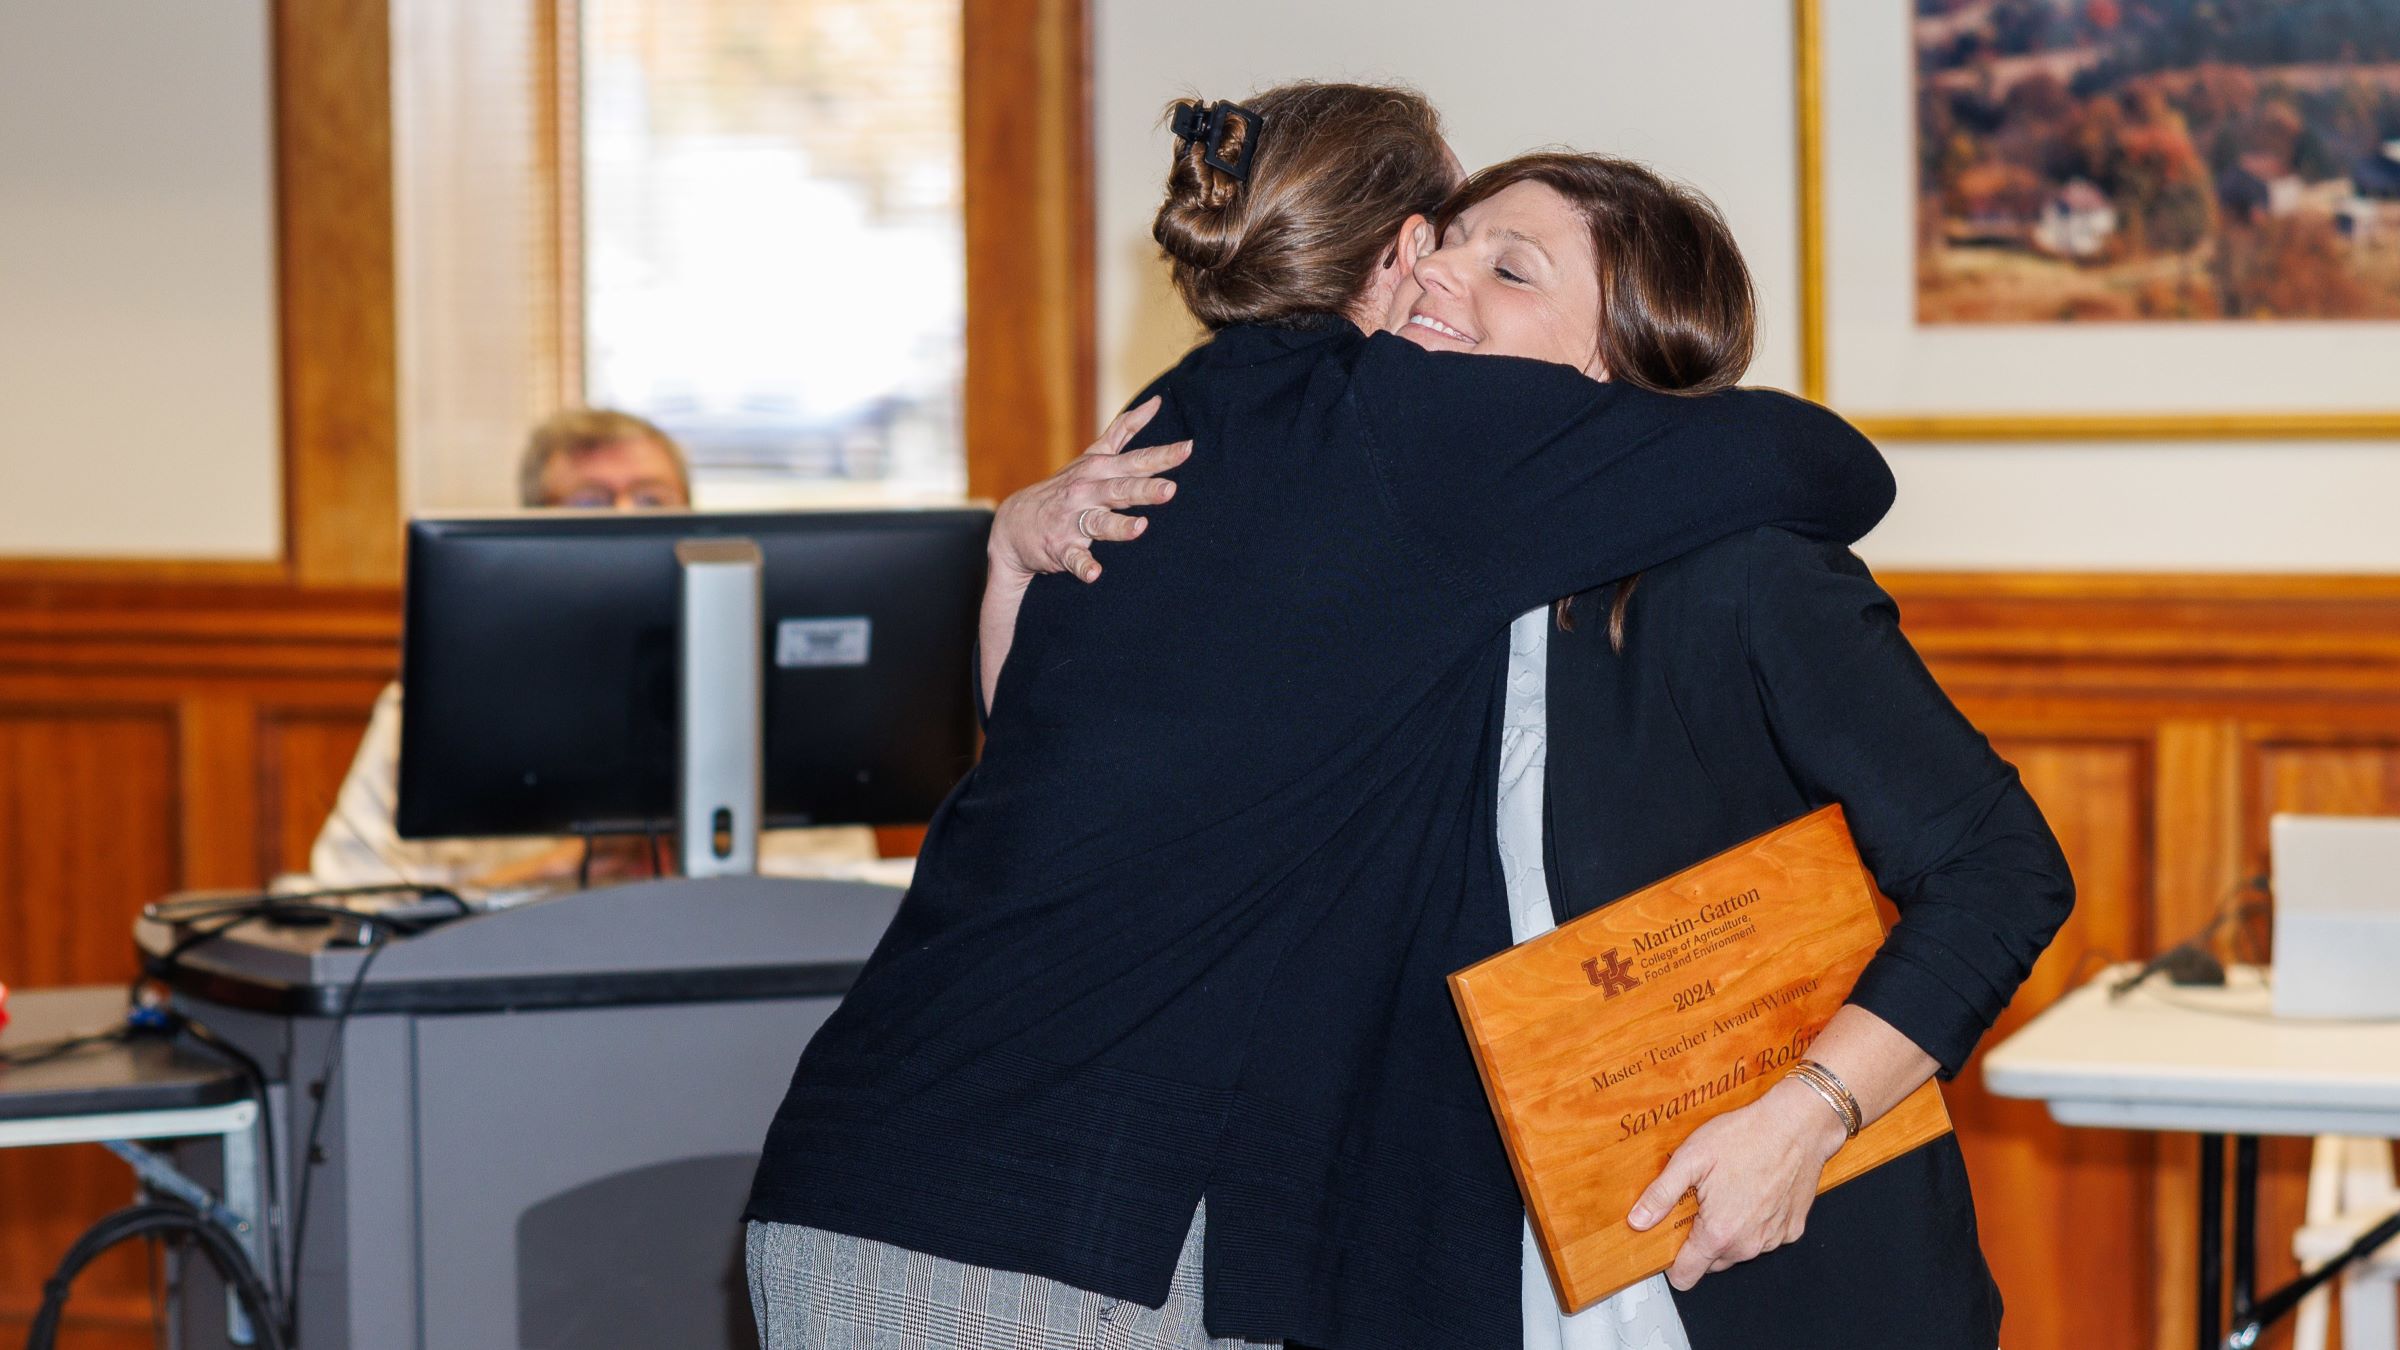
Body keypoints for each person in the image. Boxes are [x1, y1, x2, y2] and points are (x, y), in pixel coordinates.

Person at [742, 82, 1893, 1350]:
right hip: (1024, 1216)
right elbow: (1831, 463)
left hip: (909, 1157)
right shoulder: (1408, 432)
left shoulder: (1180, 414)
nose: (1454, 271)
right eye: (1450, 237)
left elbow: (1044, 759)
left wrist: (1009, 560)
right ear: (1400, 253)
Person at [997, 153, 2075, 1350]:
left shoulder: (1743, 578)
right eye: (1434, 244)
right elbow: (1073, 812)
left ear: (1611, 361)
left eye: (1506, 267)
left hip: (1762, 1261)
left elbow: (2000, 871)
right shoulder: (1354, 584)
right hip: (1442, 1275)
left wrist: (1806, 1120)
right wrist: (1017, 561)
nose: (1431, 273)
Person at [309, 408, 876, 889]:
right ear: (534, 528)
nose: (628, 522)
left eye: (653, 501)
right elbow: (350, 903)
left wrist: (716, 853)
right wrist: (556, 872)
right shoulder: (431, 711)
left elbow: (847, 890)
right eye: (590, 502)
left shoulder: (769, 700)